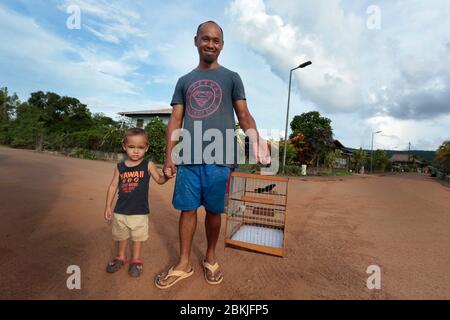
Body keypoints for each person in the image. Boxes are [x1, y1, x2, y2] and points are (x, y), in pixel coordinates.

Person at [155, 20, 269, 289]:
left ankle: (210, 256)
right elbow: (175, 119)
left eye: (216, 40)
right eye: (205, 38)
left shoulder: (231, 77)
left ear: (222, 45)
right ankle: (183, 263)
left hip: (221, 157)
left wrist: (256, 139)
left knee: (215, 212)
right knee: (187, 209)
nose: (210, 44)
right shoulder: (184, 81)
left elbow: (243, 114)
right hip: (189, 157)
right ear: (195, 41)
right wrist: (169, 155)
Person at [104, 128, 169, 277]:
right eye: (131, 147)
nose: (135, 151)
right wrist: (108, 206)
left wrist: (166, 176)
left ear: (146, 148)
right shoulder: (120, 167)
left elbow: (159, 180)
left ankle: (136, 260)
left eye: (140, 148)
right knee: (122, 236)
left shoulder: (148, 165)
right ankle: (120, 257)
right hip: (121, 210)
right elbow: (113, 186)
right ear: (124, 146)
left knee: (137, 237)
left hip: (139, 211)